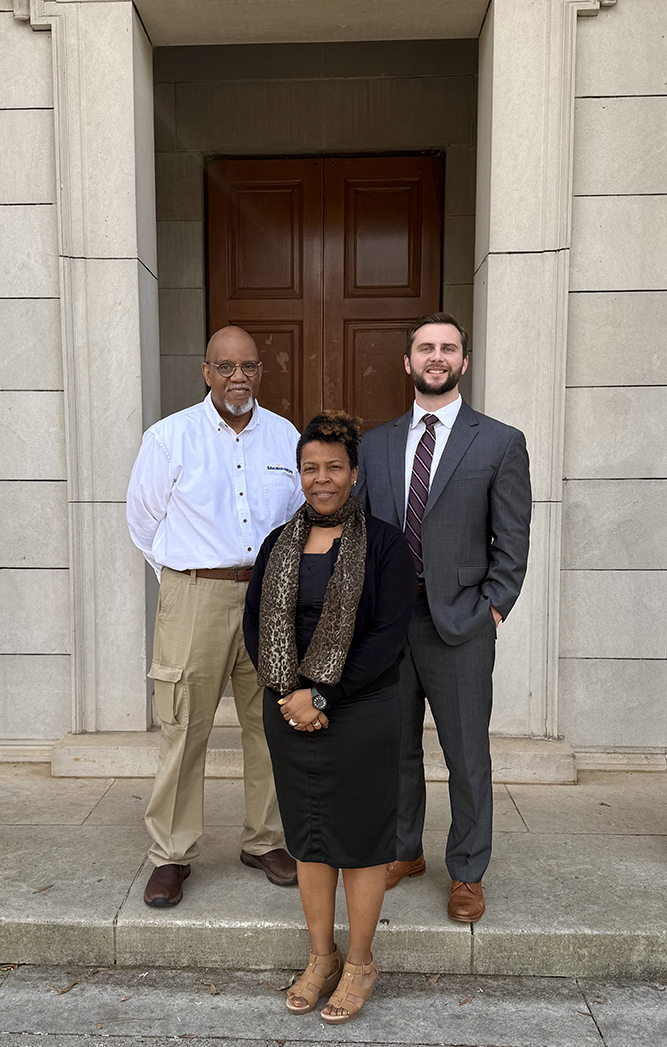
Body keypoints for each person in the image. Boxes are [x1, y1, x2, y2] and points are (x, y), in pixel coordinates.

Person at [355, 311, 531, 923]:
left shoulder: (499, 441)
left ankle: (467, 870)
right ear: (407, 362)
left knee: (465, 753)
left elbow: (512, 540)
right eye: (425, 348)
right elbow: (358, 538)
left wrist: (495, 609)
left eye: (448, 348)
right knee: (395, 749)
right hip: (389, 626)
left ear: (463, 361)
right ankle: (405, 850)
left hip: (460, 624)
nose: (436, 357)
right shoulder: (374, 444)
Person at [243, 411, 415, 1025]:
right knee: (311, 841)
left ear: (354, 473)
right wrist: (291, 691)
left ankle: (362, 962)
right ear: (300, 474)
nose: (322, 479)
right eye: (311, 468)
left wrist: (322, 695)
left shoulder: (387, 545)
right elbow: (255, 626)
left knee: (363, 844)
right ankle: (322, 956)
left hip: (360, 710)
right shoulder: (277, 543)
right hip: (288, 709)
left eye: (334, 468)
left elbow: (387, 637)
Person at [126, 325, 304, 907]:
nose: (238, 377)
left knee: (271, 724)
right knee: (184, 726)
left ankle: (266, 840)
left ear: (260, 371)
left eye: (248, 366)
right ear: (206, 372)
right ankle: (171, 853)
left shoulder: (284, 438)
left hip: (270, 600)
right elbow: (144, 523)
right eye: (225, 367)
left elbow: (304, 520)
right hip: (194, 597)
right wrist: (184, 582)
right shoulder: (168, 437)